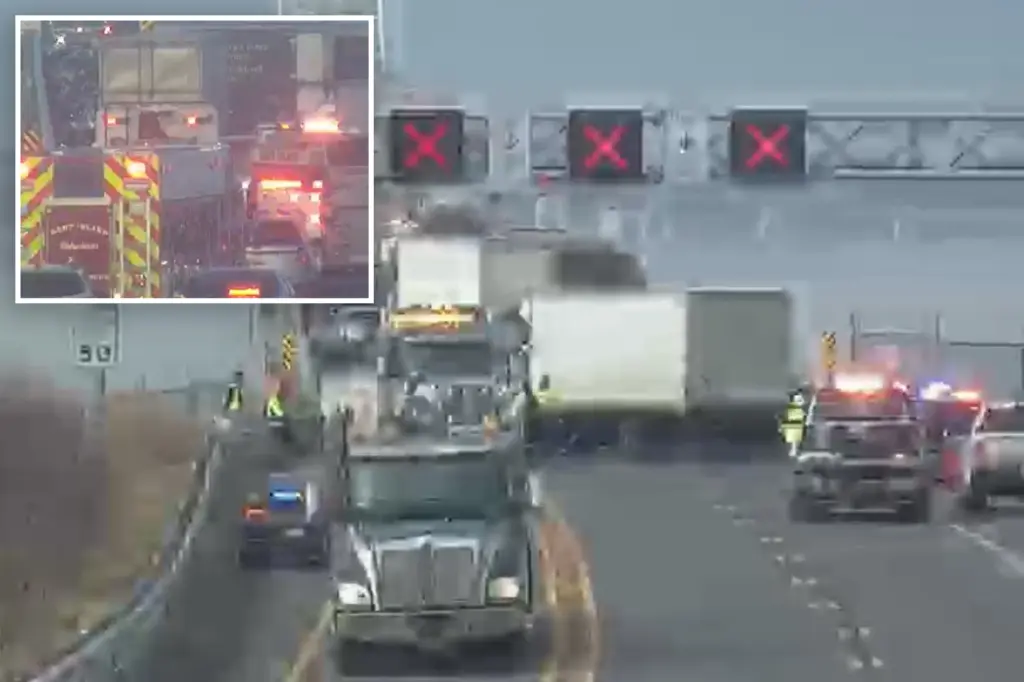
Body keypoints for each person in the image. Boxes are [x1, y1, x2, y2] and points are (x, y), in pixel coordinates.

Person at [780, 390, 808, 458]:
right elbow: (801, 403)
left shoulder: (792, 404)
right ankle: (795, 451)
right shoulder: (797, 399)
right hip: (795, 421)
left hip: (795, 421)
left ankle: (795, 451)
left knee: (795, 439)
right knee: (795, 438)